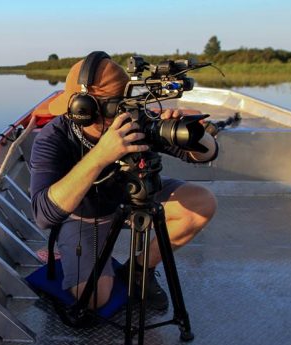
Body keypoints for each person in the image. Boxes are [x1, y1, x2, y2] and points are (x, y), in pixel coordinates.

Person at [30, 54, 218, 310]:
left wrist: (192, 133)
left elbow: (204, 155)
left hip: (136, 200)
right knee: (95, 298)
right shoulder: (54, 137)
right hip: (86, 217)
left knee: (202, 202)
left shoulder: (138, 119)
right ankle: (70, 251)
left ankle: (140, 268)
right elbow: (43, 215)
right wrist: (100, 155)